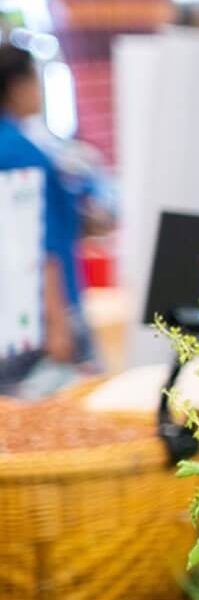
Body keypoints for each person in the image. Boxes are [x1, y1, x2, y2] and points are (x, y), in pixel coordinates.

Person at [0, 42, 97, 394]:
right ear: (17, 86)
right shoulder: (17, 152)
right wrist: (57, 321)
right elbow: (37, 240)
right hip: (44, 307)